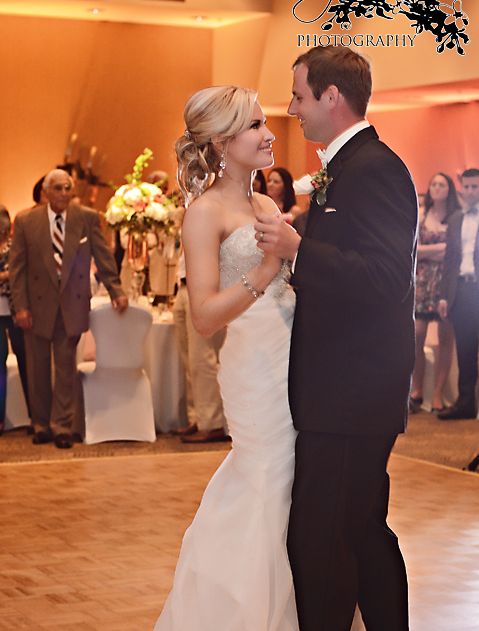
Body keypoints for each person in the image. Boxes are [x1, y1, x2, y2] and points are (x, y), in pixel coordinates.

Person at [255, 45, 417, 631]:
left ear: (332, 97)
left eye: (299, 96)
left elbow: (387, 277)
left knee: (327, 539)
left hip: (354, 393)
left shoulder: (375, 168)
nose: (293, 109)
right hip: (344, 391)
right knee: (356, 530)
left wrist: (300, 251)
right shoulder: (346, 167)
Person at [153, 86, 298, 630]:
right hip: (255, 366)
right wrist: (262, 275)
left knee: (295, 485)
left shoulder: (265, 204)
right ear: (220, 141)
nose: (270, 134)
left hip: (293, 353)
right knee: (265, 477)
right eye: (256, 126)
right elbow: (205, 317)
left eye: (266, 122)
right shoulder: (204, 212)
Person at [9, 169, 128, 449]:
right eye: (58, 188)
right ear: (46, 192)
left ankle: (61, 425)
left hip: (71, 303)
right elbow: (17, 269)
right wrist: (21, 306)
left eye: (67, 189)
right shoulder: (26, 221)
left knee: (65, 367)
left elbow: (102, 254)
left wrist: (116, 289)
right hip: (36, 305)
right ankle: (40, 424)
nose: (64, 193)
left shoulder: (86, 218)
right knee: (37, 368)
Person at [409, 173, 459, 414]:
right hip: (422, 280)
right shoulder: (421, 215)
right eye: (434, 184)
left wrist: (431, 251)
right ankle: (417, 388)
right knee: (417, 333)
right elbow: (414, 249)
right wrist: (439, 249)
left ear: (450, 189)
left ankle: (437, 392)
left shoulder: (455, 218)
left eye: (442, 184)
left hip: (447, 282)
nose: (437, 187)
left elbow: (455, 252)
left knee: (445, 337)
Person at [171, 247, 229, 443]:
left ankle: (212, 423)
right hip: (183, 285)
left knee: (202, 359)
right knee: (189, 360)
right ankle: (198, 417)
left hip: (203, 288)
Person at [438, 168, 479, 420]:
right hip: (461, 291)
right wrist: (444, 296)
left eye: (476, 187)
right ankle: (465, 404)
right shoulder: (454, 219)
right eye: (467, 186)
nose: (471, 191)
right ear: (461, 187)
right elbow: (450, 259)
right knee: (464, 350)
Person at [0, 206, 30, 435]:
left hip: (16, 310)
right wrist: (9, 275)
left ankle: (34, 415)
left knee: (26, 361)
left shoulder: (15, 248)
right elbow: (14, 274)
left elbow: (23, 273)